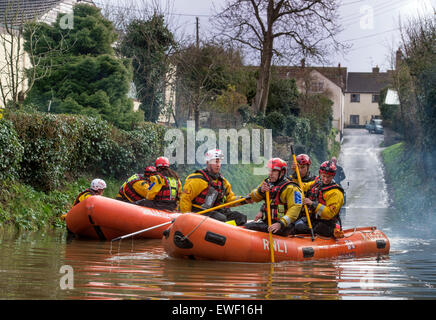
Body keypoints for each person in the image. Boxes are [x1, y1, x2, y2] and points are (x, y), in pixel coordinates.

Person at [180, 149, 248, 226]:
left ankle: (229, 233)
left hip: (216, 212)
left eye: (219, 162)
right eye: (215, 162)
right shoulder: (198, 179)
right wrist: (186, 218)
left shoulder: (223, 181)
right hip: (199, 212)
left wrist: (245, 200)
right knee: (221, 218)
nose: (218, 164)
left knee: (241, 217)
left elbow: (230, 199)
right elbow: (185, 199)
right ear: (207, 163)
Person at [244, 158, 303, 236]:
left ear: (282, 172)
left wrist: (281, 223)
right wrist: (260, 191)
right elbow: (253, 197)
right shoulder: (267, 183)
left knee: (250, 227)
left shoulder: (291, 188)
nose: (270, 173)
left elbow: (295, 208)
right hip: (268, 222)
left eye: (274, 171)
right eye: (269, 170)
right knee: (248, 226)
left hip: (284, 226)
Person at [294, 161, 345, 237]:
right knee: (296, 225)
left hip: (327, 224)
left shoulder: (335, 192)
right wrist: (292, 180)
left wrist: (312, 204)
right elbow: (303, 186)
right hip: (314, 219)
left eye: (329, 177)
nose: (326, 179)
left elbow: (329, 213)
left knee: (300, 227)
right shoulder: (317, 182)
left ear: (333, 176)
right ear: (320, 174)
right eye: (323, 176)